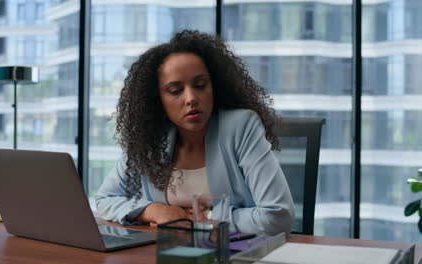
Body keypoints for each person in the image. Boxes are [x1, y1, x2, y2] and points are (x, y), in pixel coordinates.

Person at [95, 30, 294, 235]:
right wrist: (156, 211)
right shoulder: (150, 138)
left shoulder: (241, 126)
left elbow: (278, 217)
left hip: (231, 253)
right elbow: (104, 200)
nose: (191, 98)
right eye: (175, 90)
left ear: (214, 86)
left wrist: (204, 218)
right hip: (165, 251)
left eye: (200, 85)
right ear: (157, 99)